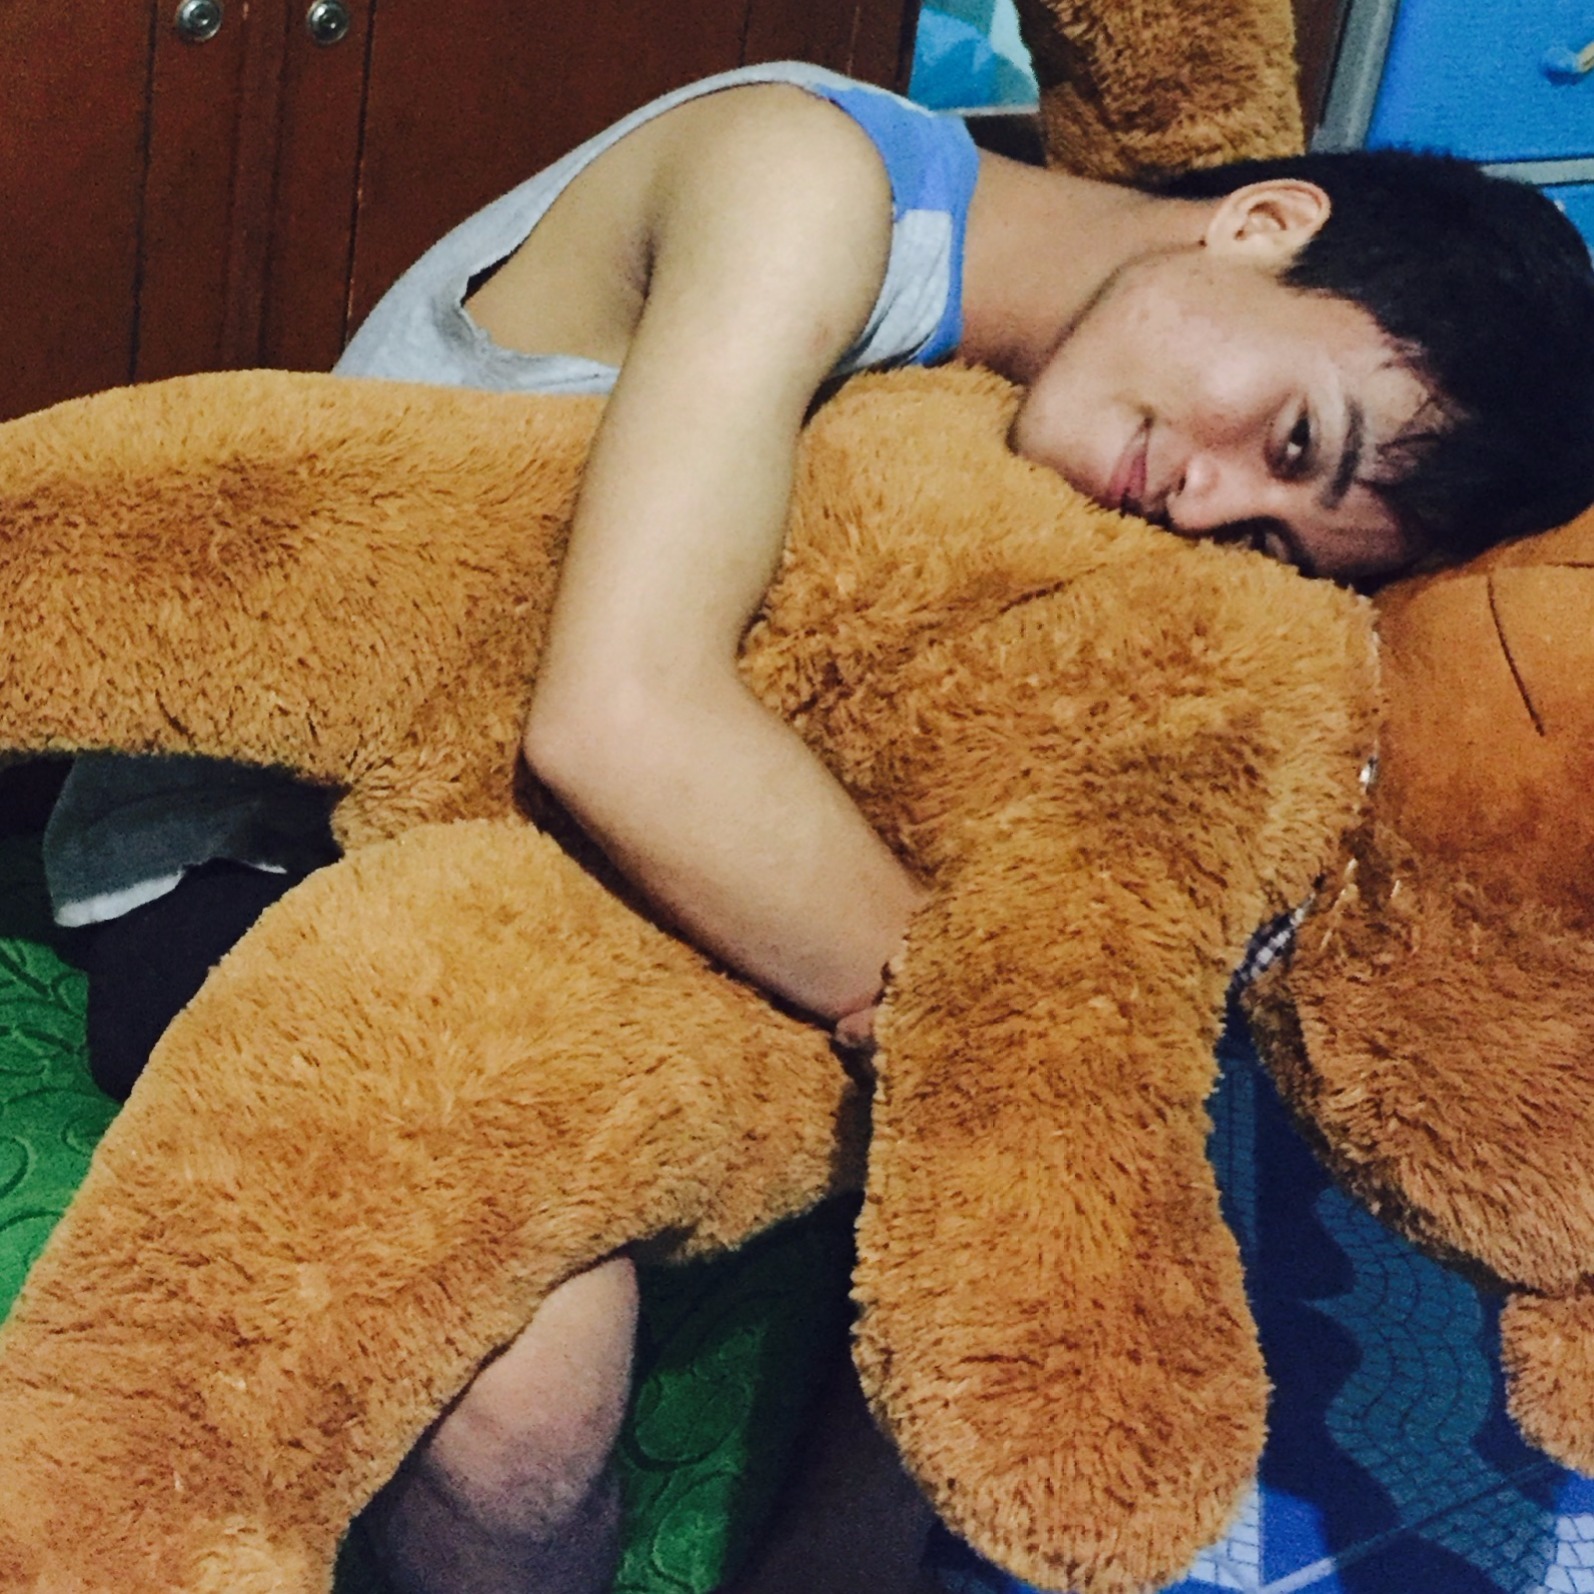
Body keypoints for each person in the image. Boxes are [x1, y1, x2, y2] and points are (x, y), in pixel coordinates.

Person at [44, 59, 1594, 1594]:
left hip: (610, 864)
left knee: (1014, 1041)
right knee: (527, 1396)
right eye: (1295, 438)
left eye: (1272, 535)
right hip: (283, 831)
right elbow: (619, 720)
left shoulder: (1066, 364)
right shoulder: (798, 184)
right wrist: (1001, 1033)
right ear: (1259, 223)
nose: (1201, 501)